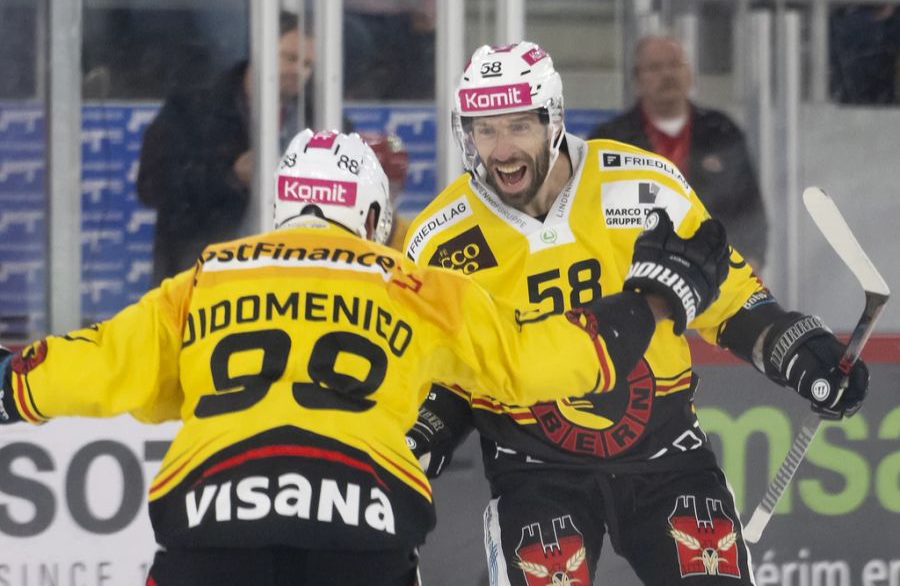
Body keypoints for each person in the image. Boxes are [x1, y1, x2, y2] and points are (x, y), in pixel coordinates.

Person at [0, 128, 725, 586]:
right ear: (373, 218)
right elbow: (530, 362)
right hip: (361, 518)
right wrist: (652, 304)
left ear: (284, 209)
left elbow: (94, 364)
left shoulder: (207, 278)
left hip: (211, 513)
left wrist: (10, 385)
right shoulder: (414, 285)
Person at [403, 42, 869, 586]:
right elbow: (447, 367)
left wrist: (798, 352)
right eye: (485, 130)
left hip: (667, 456)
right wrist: (424, 430)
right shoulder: (439, 239)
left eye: (518, 127)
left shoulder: (648, 189)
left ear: (552, 119)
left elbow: (732, 302)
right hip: (534, 469)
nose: (501, 149)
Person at [137, 11, 335, 286]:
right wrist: (229, 176)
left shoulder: (321, 118)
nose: (299, 71)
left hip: (290, 284)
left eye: (308, 64)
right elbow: (153, 184)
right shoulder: (193, 109)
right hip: (203, 279)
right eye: (289, 58)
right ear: (260, 50)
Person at [589, 35, 768, 272]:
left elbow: (750, 207)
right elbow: (591, 211)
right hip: (634, 274)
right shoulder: (611, 140)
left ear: (690, 73)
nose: (667, 75)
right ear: (637, 80)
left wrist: (751, 261)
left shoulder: (721, 131)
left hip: (716, 273)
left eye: (675, 64)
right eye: (655, 68)